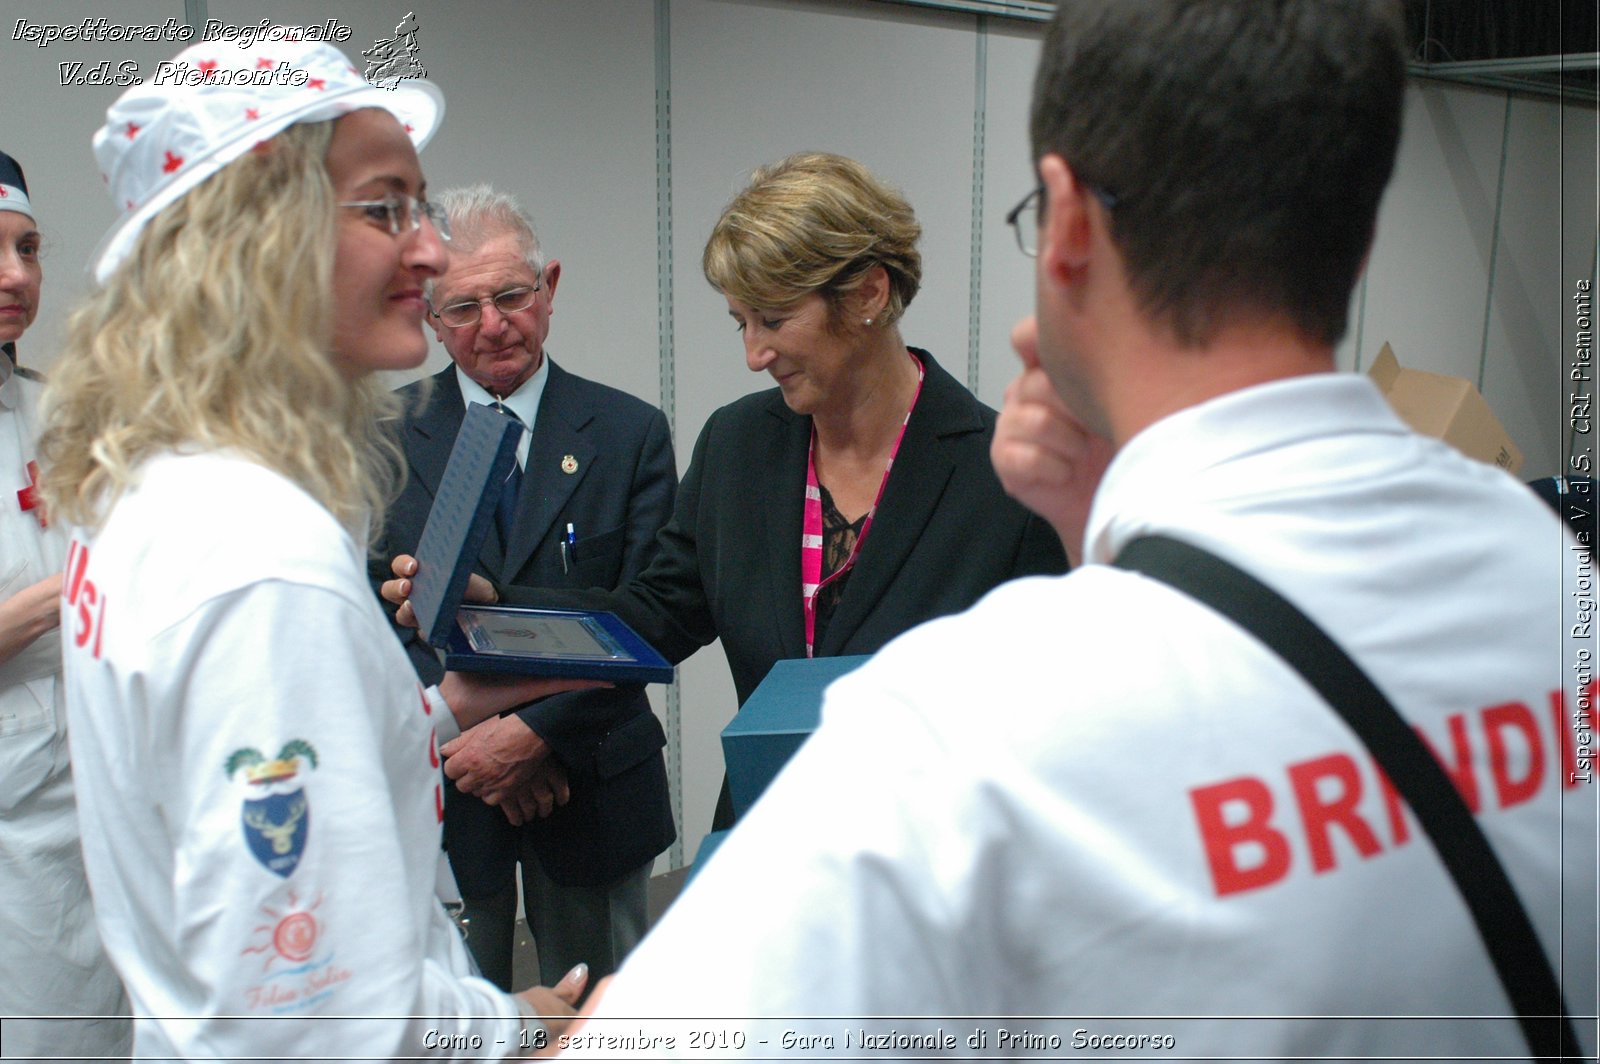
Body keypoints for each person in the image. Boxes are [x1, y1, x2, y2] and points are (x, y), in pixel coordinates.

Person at [548, 1, 1598, 1058]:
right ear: (1360, 227)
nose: (754, 350)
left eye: (770, 316)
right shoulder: (1551, 572)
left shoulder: (951, 731)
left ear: (1068, 223)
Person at [37, 38, 597, 1059]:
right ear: (256, 238)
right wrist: (519, 1024)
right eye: (386, 208)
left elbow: (235, 785)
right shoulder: (258, 552)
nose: (429, 252)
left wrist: (429, 710)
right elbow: (321, 1017)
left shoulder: (152, 492)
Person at [388, 152, 1068, 830]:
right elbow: (652, 617)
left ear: (867, 293)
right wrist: (499, 608)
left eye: (773, 319)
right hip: (768, 837)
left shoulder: (1003, 472)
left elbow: (1048, 705)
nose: (753, 353)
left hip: (937, 855)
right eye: (740, 321)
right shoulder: (741, 445)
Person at [373, 185, 677, 990]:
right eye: (463, 308)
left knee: (609, 1018)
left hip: (592, 776)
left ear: (550, 286)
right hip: (452, 783)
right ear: (431, 320)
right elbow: (374, 620)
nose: (494, 324)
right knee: (454, 1016)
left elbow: (652, 612)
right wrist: (474, 743)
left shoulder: (628, 432)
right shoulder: (382, 442)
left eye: (511, 295)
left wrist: (536, 735)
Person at [0, 149, 130, 1059]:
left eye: (30, 249)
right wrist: (66, 596)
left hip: (92, 808)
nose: (16, 275)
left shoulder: (60, 417)